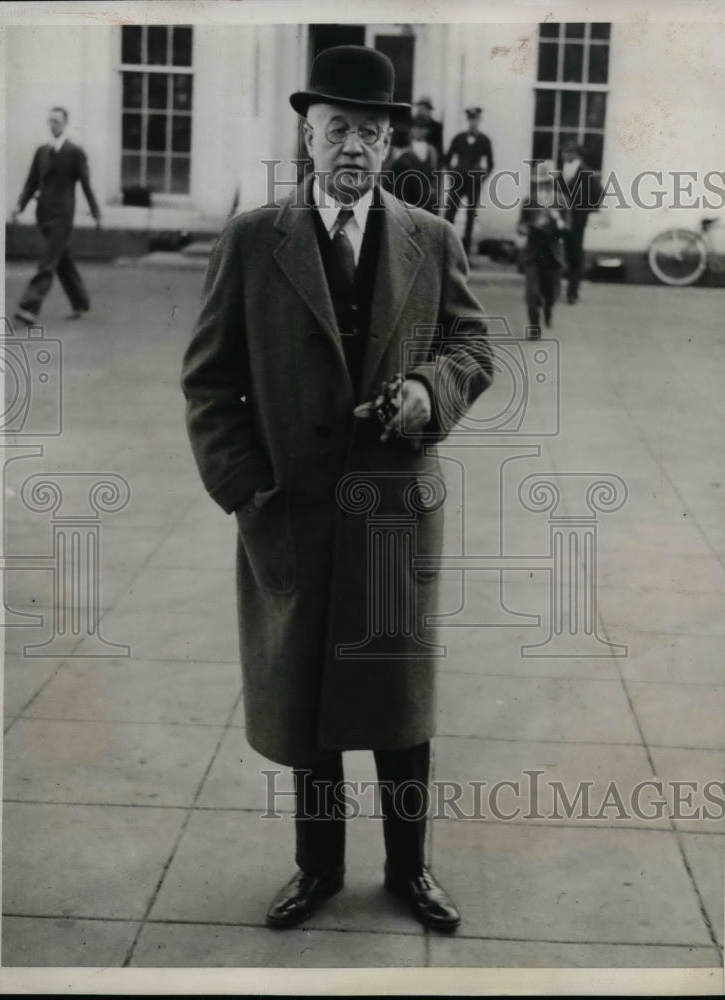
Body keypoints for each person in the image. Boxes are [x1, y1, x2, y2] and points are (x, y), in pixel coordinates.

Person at [181, 45, 493, 933]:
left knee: (399, 706)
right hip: (295, 512)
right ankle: (316, 869)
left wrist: (429, 392)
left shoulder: (431, 240)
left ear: (391, 141)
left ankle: (409, 871)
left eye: (368, 130)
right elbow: (209, 380)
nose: (352, 146)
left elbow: (473, 351)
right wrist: (247, 489)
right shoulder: (253, 238)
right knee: (308, 700)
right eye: (335, 130)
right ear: (307, 137)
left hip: (395, 511)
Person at [11, 107, 102, 324]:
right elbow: (31, 182)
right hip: (43, 215)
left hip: (62, 217)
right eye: (50, 121)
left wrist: (96, 213)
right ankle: (80, 301)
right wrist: (19, 206)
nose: (53, 125)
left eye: (57, 121)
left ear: (65, 123)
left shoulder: (74, 152)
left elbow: (86, 185)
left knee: (48, 263)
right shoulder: (41, 151)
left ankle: (29, 307)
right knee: (62, 261)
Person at [516, 159, 567, 338]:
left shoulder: (561, 201)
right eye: (540, 182)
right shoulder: (529, 201)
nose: (543, 185)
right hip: (533, 254)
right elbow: (520, 227)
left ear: (552, 182)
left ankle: (548, 310)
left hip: (552, 255)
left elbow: (568, 230)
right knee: (531, 293)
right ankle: (534, 328)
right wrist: (530, 226)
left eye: (546, 182)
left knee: (551, 294)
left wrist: (558, 221)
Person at [555, 140, 603, 304]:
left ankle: (572, 293)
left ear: (576, 154)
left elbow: (599, 194)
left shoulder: (585, 172)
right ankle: (552, 290)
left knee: (574, 255)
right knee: (554, 252)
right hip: (559, 218)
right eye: (563, 152)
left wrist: (585, 210)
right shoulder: (562, 172)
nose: (564, 155)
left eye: (567, 152)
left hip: (576, 220)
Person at [444, 107, 494, 255]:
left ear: (479, 120)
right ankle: (447, 249)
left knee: (471, 216)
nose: (473, 122)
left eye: (476, 119)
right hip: (458, 179)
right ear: (468, 120)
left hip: (474, 181)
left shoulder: (484, 140)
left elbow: (491, 163)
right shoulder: (459, 138)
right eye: (471, 119)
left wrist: (483, 177)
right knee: (450, 213)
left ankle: (465, 253)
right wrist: (452, 173)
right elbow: (447, 158)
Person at [390, 114, 440, 213]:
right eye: (416, 127)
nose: (419, 131)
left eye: (422, 128)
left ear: (427, 131)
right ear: (411, 129)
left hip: (424, 194)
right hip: (407, 194)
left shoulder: (431, 150)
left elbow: (434, 173)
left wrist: (434, 192)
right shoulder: (403, 151)